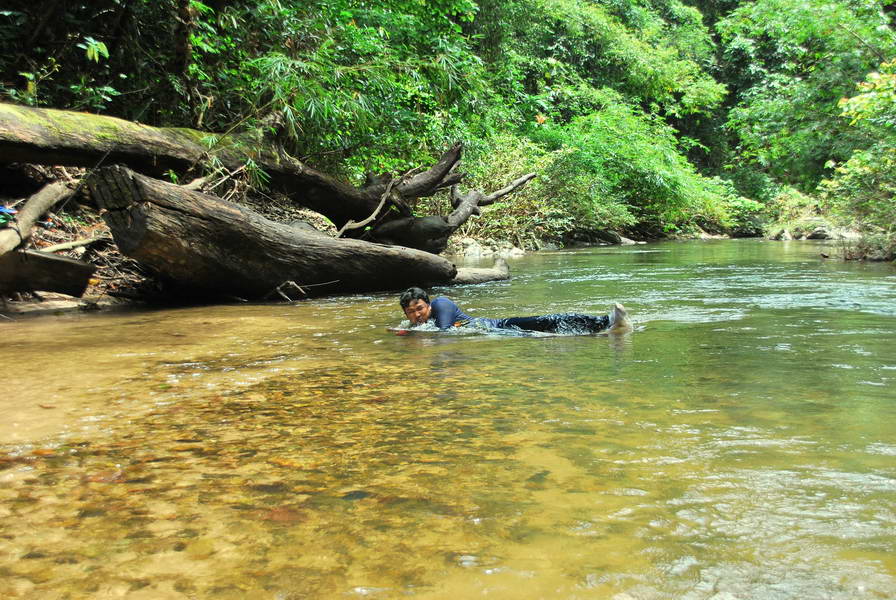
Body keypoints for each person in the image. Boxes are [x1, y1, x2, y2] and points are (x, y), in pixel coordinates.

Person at [398, 287, 631, 334]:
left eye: (419, 308)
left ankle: (606, 320)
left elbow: (444, 332)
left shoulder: (441, 304)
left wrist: (410, 334)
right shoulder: (417, 324)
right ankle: (606, 330)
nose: (417, 315)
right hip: (496, 335)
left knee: (548, 321)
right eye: (411, 312)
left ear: (427, 305)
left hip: (499, 325)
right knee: (552, 335)